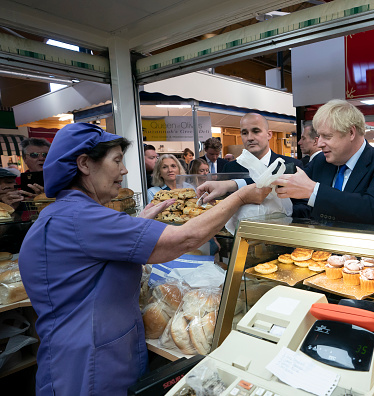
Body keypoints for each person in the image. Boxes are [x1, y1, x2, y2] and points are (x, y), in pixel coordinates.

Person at [18, 123, 270, 396]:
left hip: (82, 355)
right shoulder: (83, 219)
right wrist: (240, 195)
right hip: (90, 368)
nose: (124, 170)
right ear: (84, 164)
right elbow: (184, 239)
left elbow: (91, 258)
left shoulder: (62, 215)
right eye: (116, 161)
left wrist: (139, 224)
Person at [273, 99, 374, 226]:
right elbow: (299, 201)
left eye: (327, 136)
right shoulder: (320, 161)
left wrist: (314, 191)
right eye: (319, 136)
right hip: (320, 248)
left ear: (351, 133)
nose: (319, 144)